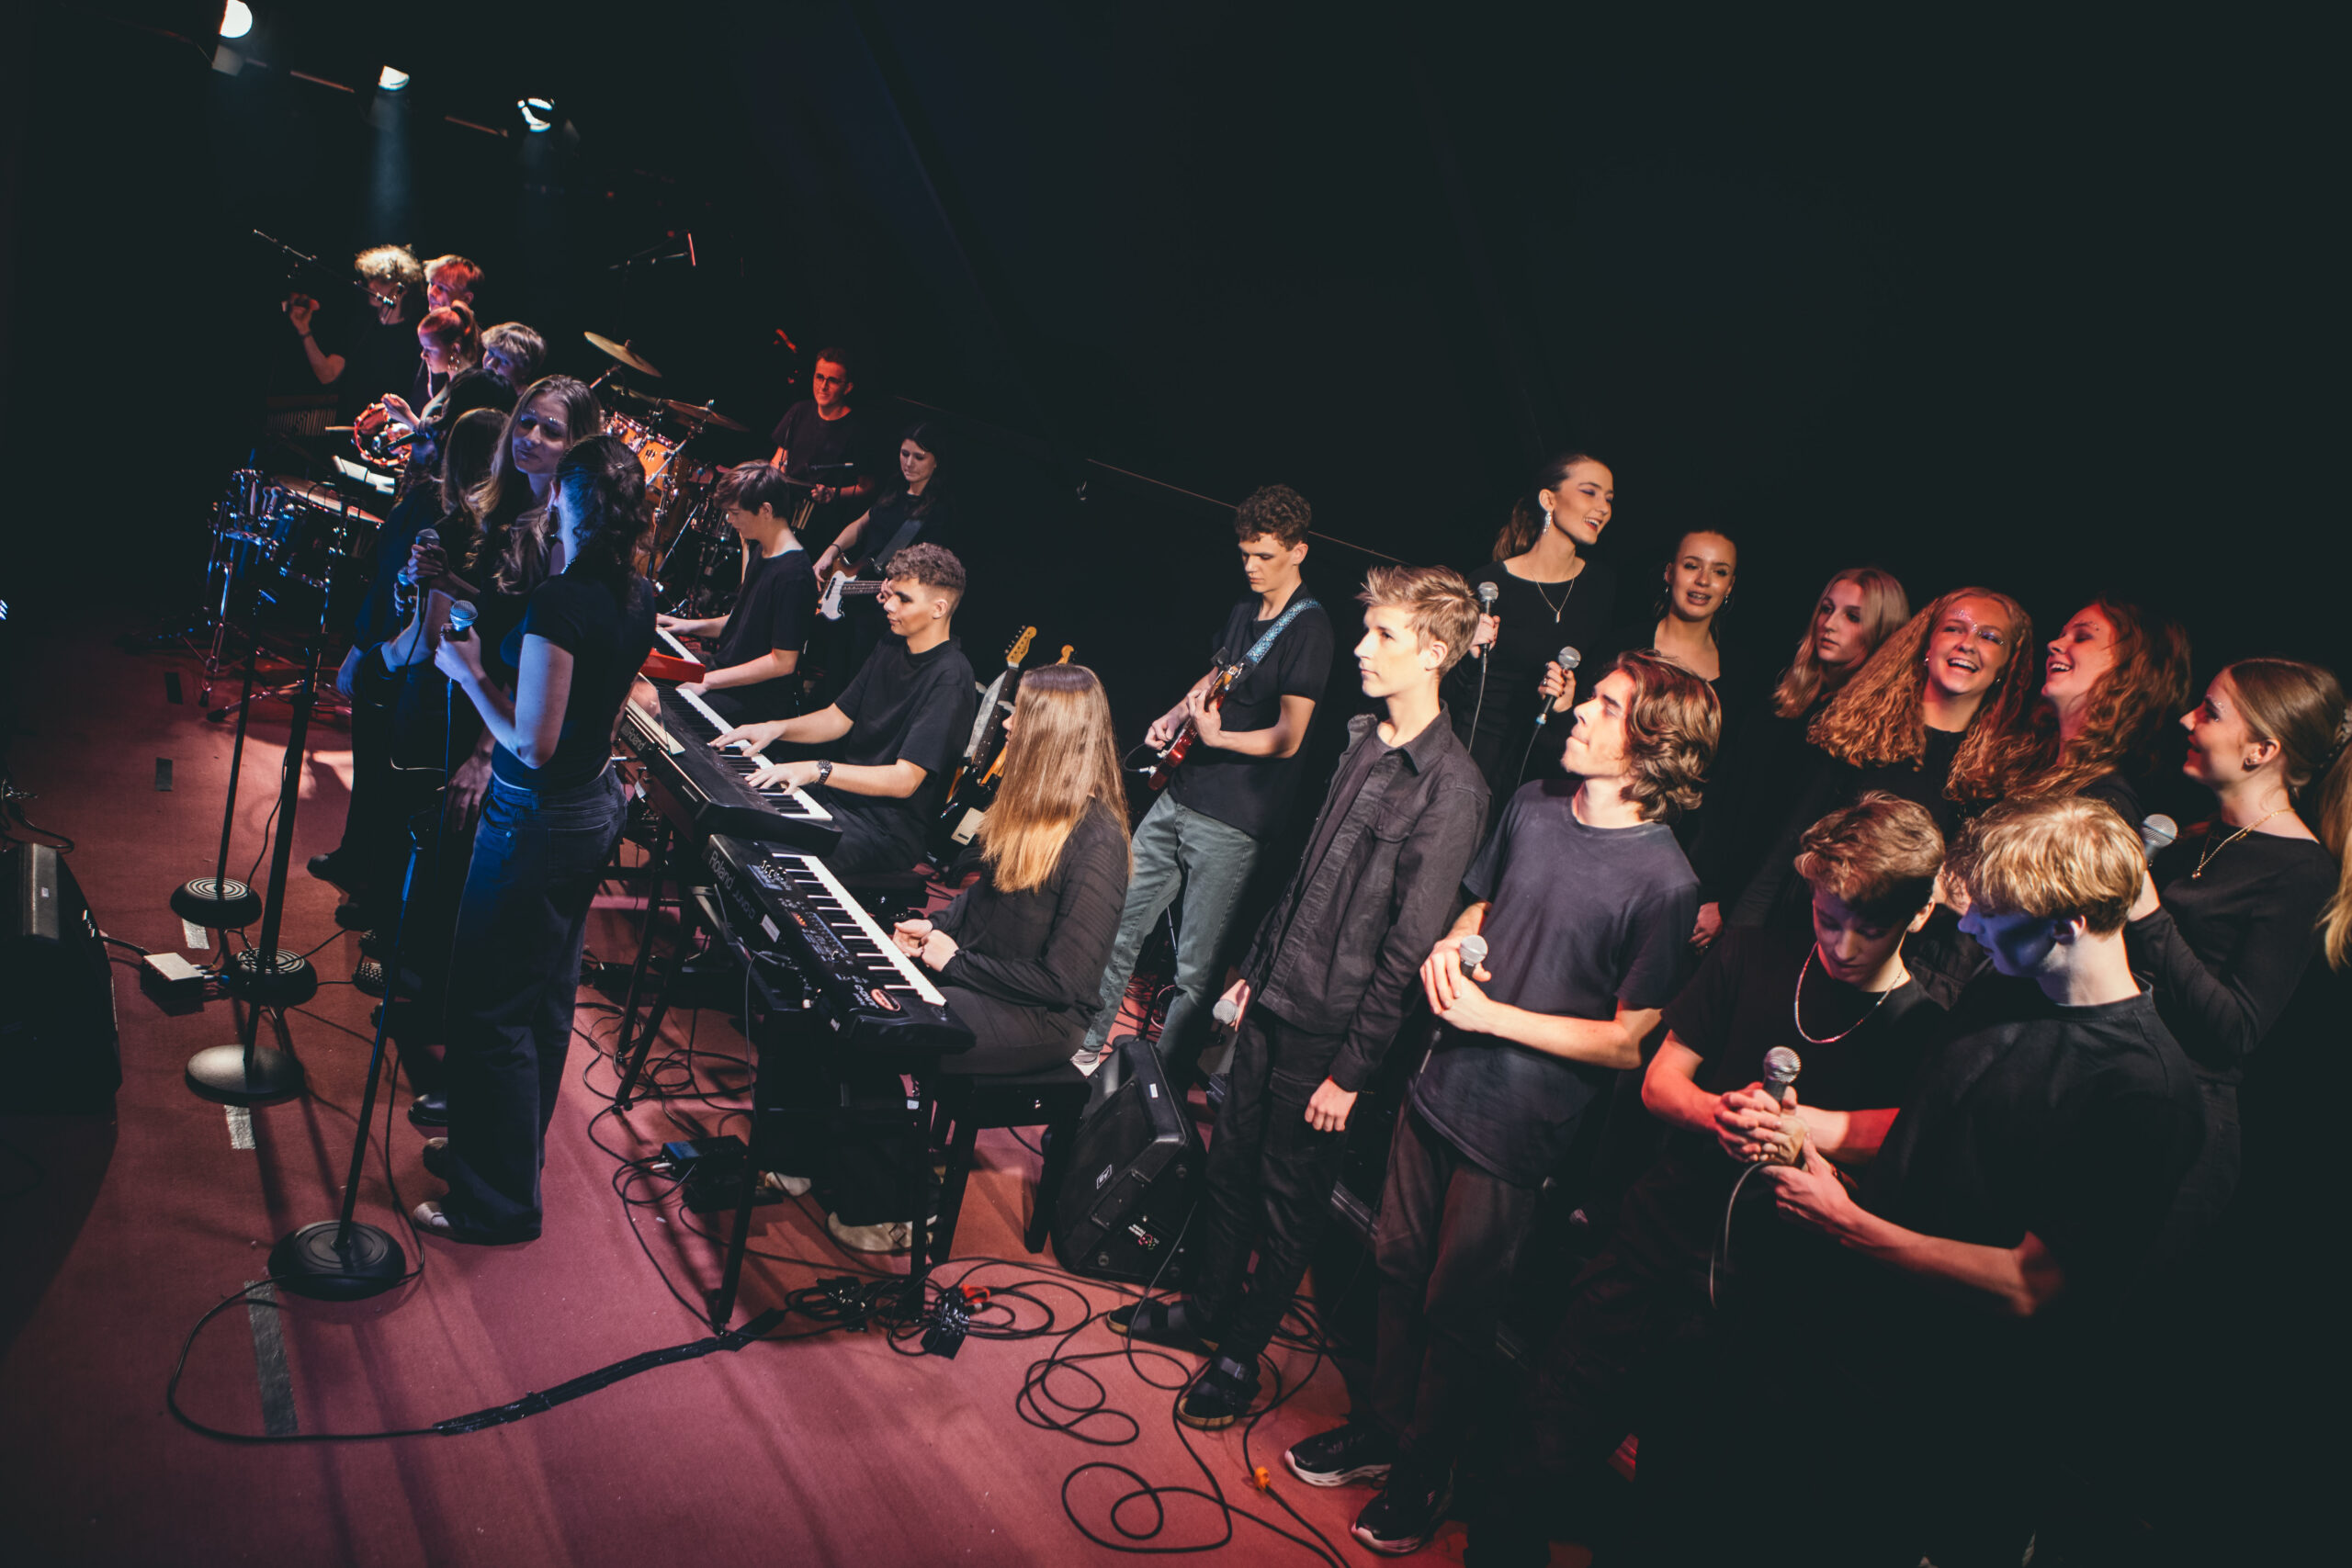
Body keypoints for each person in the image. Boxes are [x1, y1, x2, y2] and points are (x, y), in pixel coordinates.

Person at [1285, 649, 1718, 1557]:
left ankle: (1424, 1469)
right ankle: (1382, 1427)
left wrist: (1495, 1016)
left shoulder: (1664, 882)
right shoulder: (1531, 804)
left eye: (1604, 706)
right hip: (1438, 1084)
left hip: (1519, 1129)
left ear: (1649, 745)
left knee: (1458, 1307)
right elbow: (1478, 909)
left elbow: (1627, 1040)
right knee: (1396, 1265)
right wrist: (1453, 945)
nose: (1580, 713)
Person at [1465, 793, 1950, 1565]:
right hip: (1653, 1244)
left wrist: (1803, 1132)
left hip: (1766, 1295)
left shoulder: (1924, 1029)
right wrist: (1719, 1113)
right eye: (1829, 916)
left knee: (1673, 1509)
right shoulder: (1753, 954)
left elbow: (1903, 1139)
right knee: (1540, 1444)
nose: (1845, 943)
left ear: (1918, 916)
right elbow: (1662, 1082)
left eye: (1871, 925)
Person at [1721, 795, 2204, 1565]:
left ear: (2066, 925)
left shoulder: (2143, 1092)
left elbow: (2030, 1283)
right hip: (1851, 1352)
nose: (1968, 924)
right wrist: (1807, 1126)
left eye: (1990, 912)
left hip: (1950, 1418)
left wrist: (1845, 1221)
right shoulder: (2006, 984)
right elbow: (1931, 1123)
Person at [1111, 567, 1492, 1429]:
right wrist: (1252, 967)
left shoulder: (1454, 789)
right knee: (1230, 1160)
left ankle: (1242, 1350)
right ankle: (1209, 1308)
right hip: (1278, 993)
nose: (1362, 646)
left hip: (1331, 1032)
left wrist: (1352, 1072)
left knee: (1289, 1195)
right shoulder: (1363, 739)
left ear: (1433, 651)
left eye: (1384, 635)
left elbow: (1404, 948)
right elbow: (1306, 874)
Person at [415, 434, 657, 1243]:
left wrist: (469, 672)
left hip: (539, 816)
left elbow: (532, 744)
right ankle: (502, 1159)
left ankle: (496, 1202)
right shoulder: (637, 591)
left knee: (491, 1010)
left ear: (568, 502)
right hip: (589, 811)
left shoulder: (565, 601)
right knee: (544, 1004)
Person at [812, 665, 1133, 1253]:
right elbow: (976, 906)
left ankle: (900, 1204)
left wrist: (952, 962)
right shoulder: (1030, 804)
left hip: (1042, 1019)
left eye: (1020, 715)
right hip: (988, 982)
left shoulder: (1098, 841)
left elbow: (1066, 983)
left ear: (1051, 733)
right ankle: (818, 1158)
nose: (1007, 723)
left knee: (884, 1030)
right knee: (840, 994)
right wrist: (928, 927)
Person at [1079, 486, 1335, 1090]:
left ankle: (1157, 1093)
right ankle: (1084, 1047)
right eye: (1246, 553)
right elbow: (1221, 671)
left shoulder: (1311, 629)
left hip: (1234, 819)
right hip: (1180, 794)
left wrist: (1220, 741)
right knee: (1117, 921)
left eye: (1265, 556)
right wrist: (1175, 715)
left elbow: (1290, 736)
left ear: (1299, 550)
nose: (1251, 566)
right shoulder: (1248, 611)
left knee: (1195, 971)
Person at [2124, 658, 2349, 1246]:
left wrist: (2147, 916)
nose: (2186, 718)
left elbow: (2237, 1028)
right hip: (2120, 1091)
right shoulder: (2196, 837)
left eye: (2210, 711)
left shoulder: (2301, 871)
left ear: (2261, 751)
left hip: (2179, 1129)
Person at [1727, 585, 2034, 929]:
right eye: (1953, 628)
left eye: (1990, 637)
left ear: (2008, 665)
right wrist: (1736, 946)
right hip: (1805, 930)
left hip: (1908, 964)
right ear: (1926, 645)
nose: (1968, 643)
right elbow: (1782, 854)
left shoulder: (2003, 771)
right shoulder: (1856, 731)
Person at [708, 543, 978, 877]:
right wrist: (774, 728)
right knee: (735, 806)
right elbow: (839, 717)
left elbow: (904, 779)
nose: (889, 605)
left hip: (885, 833)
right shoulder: (893, 643)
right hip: (840, 800)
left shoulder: (951, 678)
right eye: (891, 594)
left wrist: (817, 769)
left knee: (765, 855)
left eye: (904, 599)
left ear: (939, 608)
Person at [1688, 566, 1909, 948]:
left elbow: (1786, 837)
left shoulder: (1857, 733)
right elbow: (1727, 800)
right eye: (1826, 609)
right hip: (1705, 883)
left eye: (1852, 617)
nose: (1830, 623)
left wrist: (1725, 903)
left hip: (1755, 912)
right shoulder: (1783, 699)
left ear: (1882, 632)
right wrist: (1705, 888)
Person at [1444, 453, 1620, 805]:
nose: (1602, 508)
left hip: (1547, 766)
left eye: (1609, 499)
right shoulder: (1489, 583)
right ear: (1548, 499)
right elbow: (1449, 688)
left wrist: (1569, 702)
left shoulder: (1603, 588)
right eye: (1590, 492)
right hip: (1476, 759)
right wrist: (1468, 653)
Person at [1994, 600, 2191, 824]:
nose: (2053, 644)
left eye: (2082, 637)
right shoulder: (2033, 768)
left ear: (2131, 668)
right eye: (2062, 634)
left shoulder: (2104, 805)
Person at [654, 463, 818, 723]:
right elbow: (743, 621)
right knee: (648, 663)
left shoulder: (794, 576)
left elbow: (783, 662)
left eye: (735, 513)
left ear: (765, 510)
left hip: (752, 697)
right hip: (725, 669)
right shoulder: (762, 552)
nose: (730, 521)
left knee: (664, 708)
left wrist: (708, 681)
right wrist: (685, 626)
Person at [808, 422, 958, 691]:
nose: (909, 463)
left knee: (856, 683)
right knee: (830, 679)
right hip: (850, 592)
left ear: (937, 461)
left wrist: (898, 591)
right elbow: (862, 523)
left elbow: (930, 573)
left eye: (919, 457)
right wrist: (830, 552)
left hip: (882, 612)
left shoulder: (939, 511)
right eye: (904, 454)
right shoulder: (894, 487)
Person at [766, 346, 872, 547]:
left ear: (847, 387)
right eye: (819, 377)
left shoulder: (857, 430)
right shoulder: (799, 411)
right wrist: (774, 477)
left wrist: (833, 493)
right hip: (785, 511)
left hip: (822, 526)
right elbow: (780, 458)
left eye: (832, 381)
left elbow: (867, 486)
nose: (823, 386)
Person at [480, 321, 547, 398]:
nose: (491, 364)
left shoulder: (525, 405)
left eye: (504, 361)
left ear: (525, 371)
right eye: (491, 352)